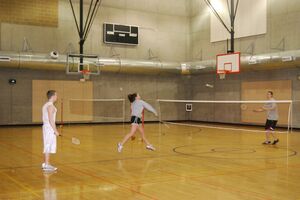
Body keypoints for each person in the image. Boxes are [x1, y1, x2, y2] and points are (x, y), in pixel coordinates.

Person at [42, 90, 60, 171]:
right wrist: (55, 130)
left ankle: (46, 163)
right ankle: (47, 164)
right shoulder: (50, 106)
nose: (57, 97)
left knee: (47, 145)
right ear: (52, 96)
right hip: (49, 128)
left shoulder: (46, 105)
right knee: (48, 145)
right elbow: (51, 120)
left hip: (47, 127)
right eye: (56, 95)